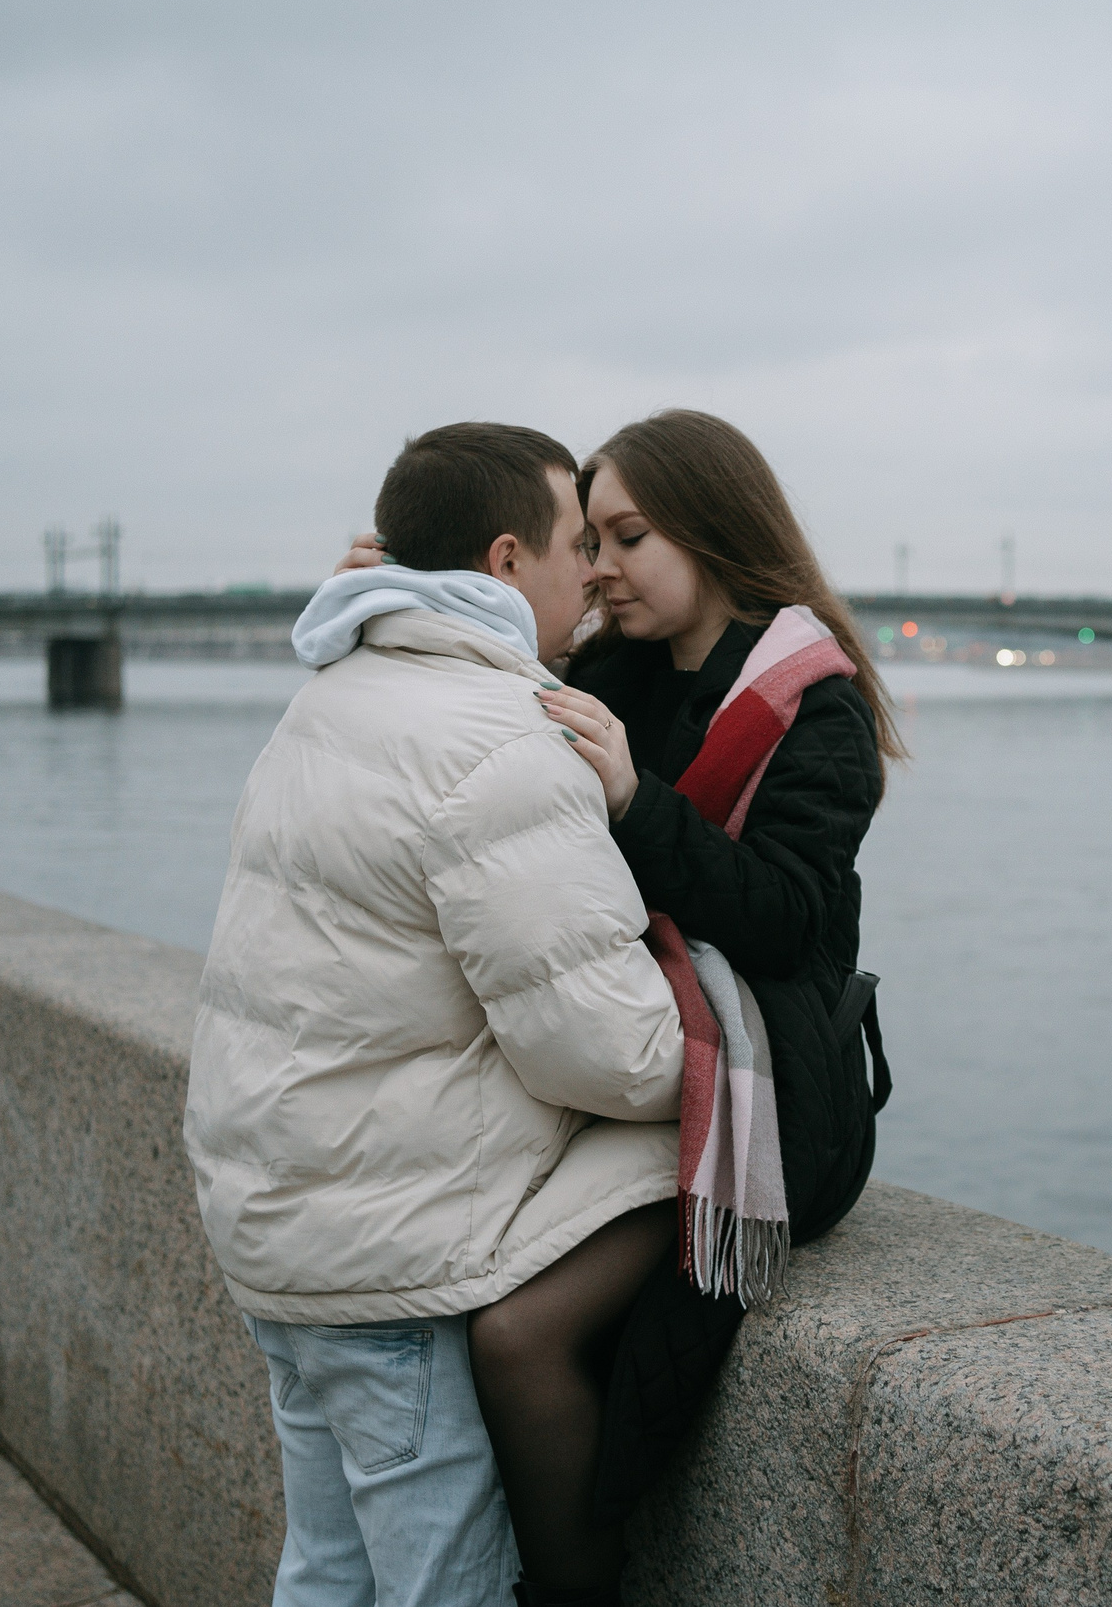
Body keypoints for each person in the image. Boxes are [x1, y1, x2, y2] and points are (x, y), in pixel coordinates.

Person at [331, 408, 902, 1569]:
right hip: (632, 1056)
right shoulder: (606, 673)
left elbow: (789, 919)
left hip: (774, 1088)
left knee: (519, 1333)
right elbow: (465, 709)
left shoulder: (813, 704)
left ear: (713, 528)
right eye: (588, 540)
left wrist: (638, 802)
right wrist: (396, 595)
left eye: (627, 537)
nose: (597, 567)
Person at [188, 422, 686, 1607]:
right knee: (440, 1585)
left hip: (274, 1223)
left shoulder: (330, 697)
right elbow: (613, 1054)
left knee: (326, 1569)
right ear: (507, 559)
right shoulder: (499, 735)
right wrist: (726, 1048)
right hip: (389, 1256)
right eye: (576, 545)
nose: (593, 575)